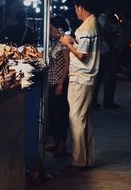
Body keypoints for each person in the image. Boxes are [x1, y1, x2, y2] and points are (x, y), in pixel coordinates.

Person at [60, 0, 100, 170]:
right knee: (86, 119)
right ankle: (87, 159)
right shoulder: (94, 24)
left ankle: (78, 161)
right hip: (90, 78)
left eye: (76, 8)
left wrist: (67, 44)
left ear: (80, 7)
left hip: (81, 78)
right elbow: (85, 48)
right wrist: (73, 40)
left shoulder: (85, 28)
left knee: (75, 118)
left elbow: (82, 55)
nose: (75, 11)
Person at [46, 15, 71, 157]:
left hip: (59, 83)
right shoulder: (56, 42)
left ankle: (62, 144)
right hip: (52, 81)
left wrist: (61, 84)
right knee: (55, 114)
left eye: (50, 28)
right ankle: (56, 142)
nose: (49, 30)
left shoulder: (64, 43)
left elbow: (67, 64)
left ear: (58, 29)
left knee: (61, 113)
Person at [93, 6, 119, 108]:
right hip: (104, 51)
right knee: (106, 77)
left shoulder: (102, 20)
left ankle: (102, 101)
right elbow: (104, 34)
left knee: (101, 78)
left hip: (104, 51)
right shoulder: (102, 19)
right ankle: (105, 102)